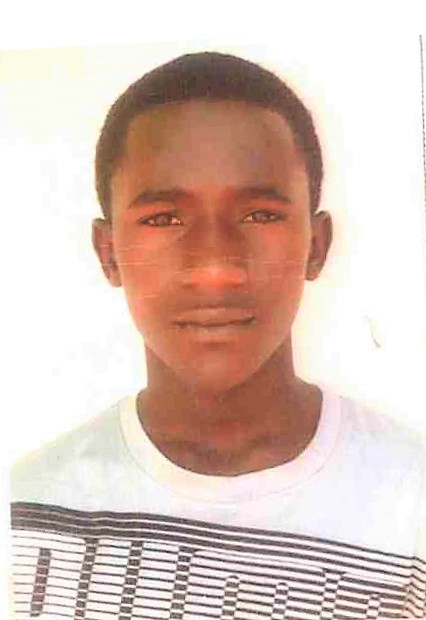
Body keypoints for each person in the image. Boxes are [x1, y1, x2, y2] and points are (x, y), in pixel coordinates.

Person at [10, 51, 425, 619]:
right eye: (163, 219)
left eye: (260, 215)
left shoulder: (410, 504)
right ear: (109, 254)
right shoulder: (27, 511)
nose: (215, 269)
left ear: (317, 246)